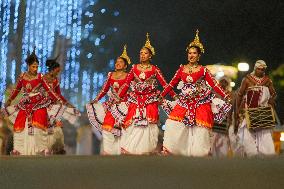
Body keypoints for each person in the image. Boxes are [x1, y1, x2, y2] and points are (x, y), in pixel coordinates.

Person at [160, 30, 231, 157]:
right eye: (189, 53)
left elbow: (214, 85)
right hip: (184, 103)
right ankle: (175, 150)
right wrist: (161, 95)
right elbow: (171, 84)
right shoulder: (181, 69)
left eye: (194, 53)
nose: (191, 55)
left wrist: (225, 95)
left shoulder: (203, 70)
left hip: (201, 103)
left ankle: (199, 155)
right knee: (172, 123)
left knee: (200, 130)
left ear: (199, 56)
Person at [118, 34, 176, 155]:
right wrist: (119, 97)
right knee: (133, 124)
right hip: (135, 101)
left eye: (145, 53)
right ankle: (131, 149)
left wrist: (174, 96)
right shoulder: (134, 68)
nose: (142, 55)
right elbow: (127, 84)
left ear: (150, 55)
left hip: (150, 102)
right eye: (141, 53)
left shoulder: (155, 69)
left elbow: (165, 84)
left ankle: (146, 150)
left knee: (149, 126)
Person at [3, 47, 62, 155]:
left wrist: (57, 99)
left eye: (37, 66)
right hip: (26, 104)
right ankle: (18, 149)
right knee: (19, 126)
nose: (35, 68)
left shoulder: (40, 77)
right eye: (33, 66)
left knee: (39, 125)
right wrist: (10, 100)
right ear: (29, 66)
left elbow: (49, 90)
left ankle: (43, 149)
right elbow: (16, 90)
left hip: (39, 103)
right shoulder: (22, 77)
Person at [86, 45, 131, 155]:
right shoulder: (110, 75)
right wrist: (96, 99)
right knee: (107, 127)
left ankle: (123, 150)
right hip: (111, 106)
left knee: (124, 129)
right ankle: (108, 151)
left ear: (125, 65)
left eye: (120, 62)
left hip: (125, 106)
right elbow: (104, 89)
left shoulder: (129, 76)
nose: (117, 63)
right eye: (117, 61)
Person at [235, 60, 276, 157]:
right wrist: (237, 109)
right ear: (255, 68)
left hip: (263, 112)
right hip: (249, 112)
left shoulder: (268, 81)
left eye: (263, 69)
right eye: (259, 69)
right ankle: (252, 155)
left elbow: (273, 94)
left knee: (265, 135)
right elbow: (240, 95)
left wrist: (271, 99)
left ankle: (267, 156)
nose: (261, 71)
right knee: (246, 135)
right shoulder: (247, 79)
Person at [43, 57, 80, 153]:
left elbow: (59, 95)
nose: (58, 73)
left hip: (53, 108)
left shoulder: (55, 81)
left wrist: (68, 104)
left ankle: (55, 149)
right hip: (41, 107)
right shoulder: (42, 79)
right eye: (57, 71)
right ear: (52, 69)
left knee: (56, 128)